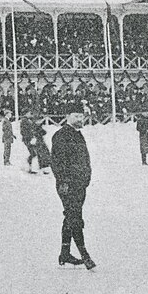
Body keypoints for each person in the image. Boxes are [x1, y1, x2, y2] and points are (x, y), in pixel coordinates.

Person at [50, 111, 94, 269]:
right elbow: (57, 162)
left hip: (80, 184)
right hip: (67, 185)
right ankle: (85, 255)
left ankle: (65, 252)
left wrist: (87, 177)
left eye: (81, 116)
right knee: (75, 217)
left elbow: (84, 158)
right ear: (68, 116)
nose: (80, 119)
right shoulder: (61, 135)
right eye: (76, 116)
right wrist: (63, 182)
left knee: (70, 217)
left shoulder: (78, 135)